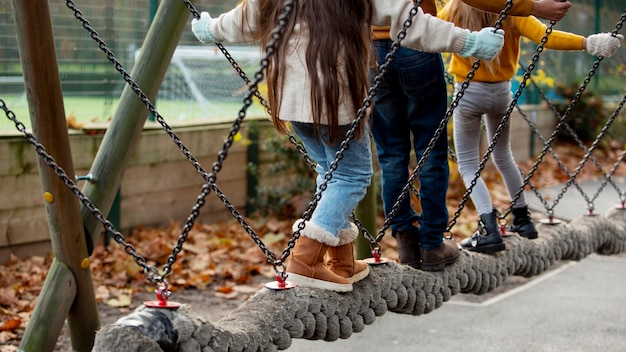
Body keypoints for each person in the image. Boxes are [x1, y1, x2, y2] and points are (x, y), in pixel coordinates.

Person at [191, 0, 504, 291]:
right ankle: (304, 259)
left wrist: (207, 28)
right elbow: (410, 21)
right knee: (351, 176)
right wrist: (471, 42)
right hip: (333, 98)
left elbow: (241, 20)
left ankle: (339, 260)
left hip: (292, 99)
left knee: (330, 173)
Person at [371, 0, 572, 271]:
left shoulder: (453, 11)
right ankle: (432, 243)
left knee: (391, 155)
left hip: (370, 48)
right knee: (433, 151)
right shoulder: (509, 14)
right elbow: (543, 36)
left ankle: (405, 238)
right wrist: (539, 10)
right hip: (419, 43)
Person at [439, 0, 623, 253]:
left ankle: (488, 228)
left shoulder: (454, 9)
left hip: (469, 92)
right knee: (504, 156)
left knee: (469, 164)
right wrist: (588, 43)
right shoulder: (512, 9)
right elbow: (546, 36)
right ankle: (523, 219)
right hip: (502, 92)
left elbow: (430, 32)